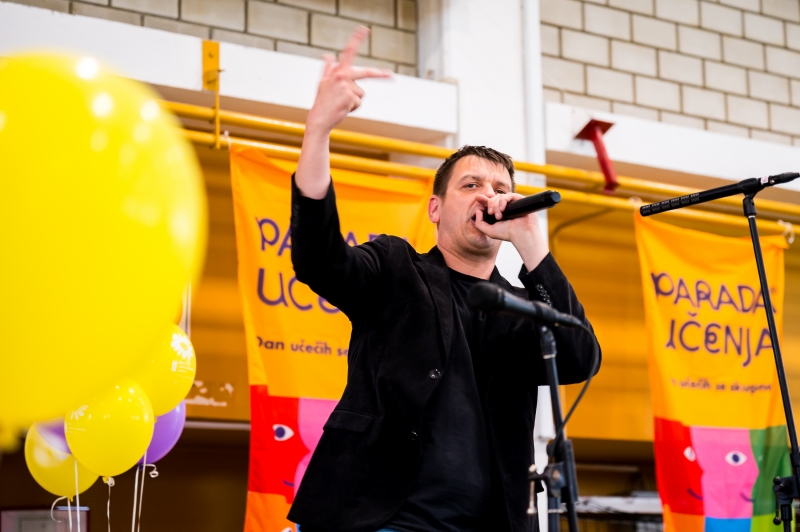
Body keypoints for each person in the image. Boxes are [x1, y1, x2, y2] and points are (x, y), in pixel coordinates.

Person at [288, 26, 600, 532]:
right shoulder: (397, 267)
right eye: (471, 184)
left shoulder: (519, 308)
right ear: (436, 207)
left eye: (499, 188)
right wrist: (318, 131)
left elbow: (580, 357)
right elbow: (319, 260)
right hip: (381, 519)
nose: (487, 196)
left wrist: (532, 245)